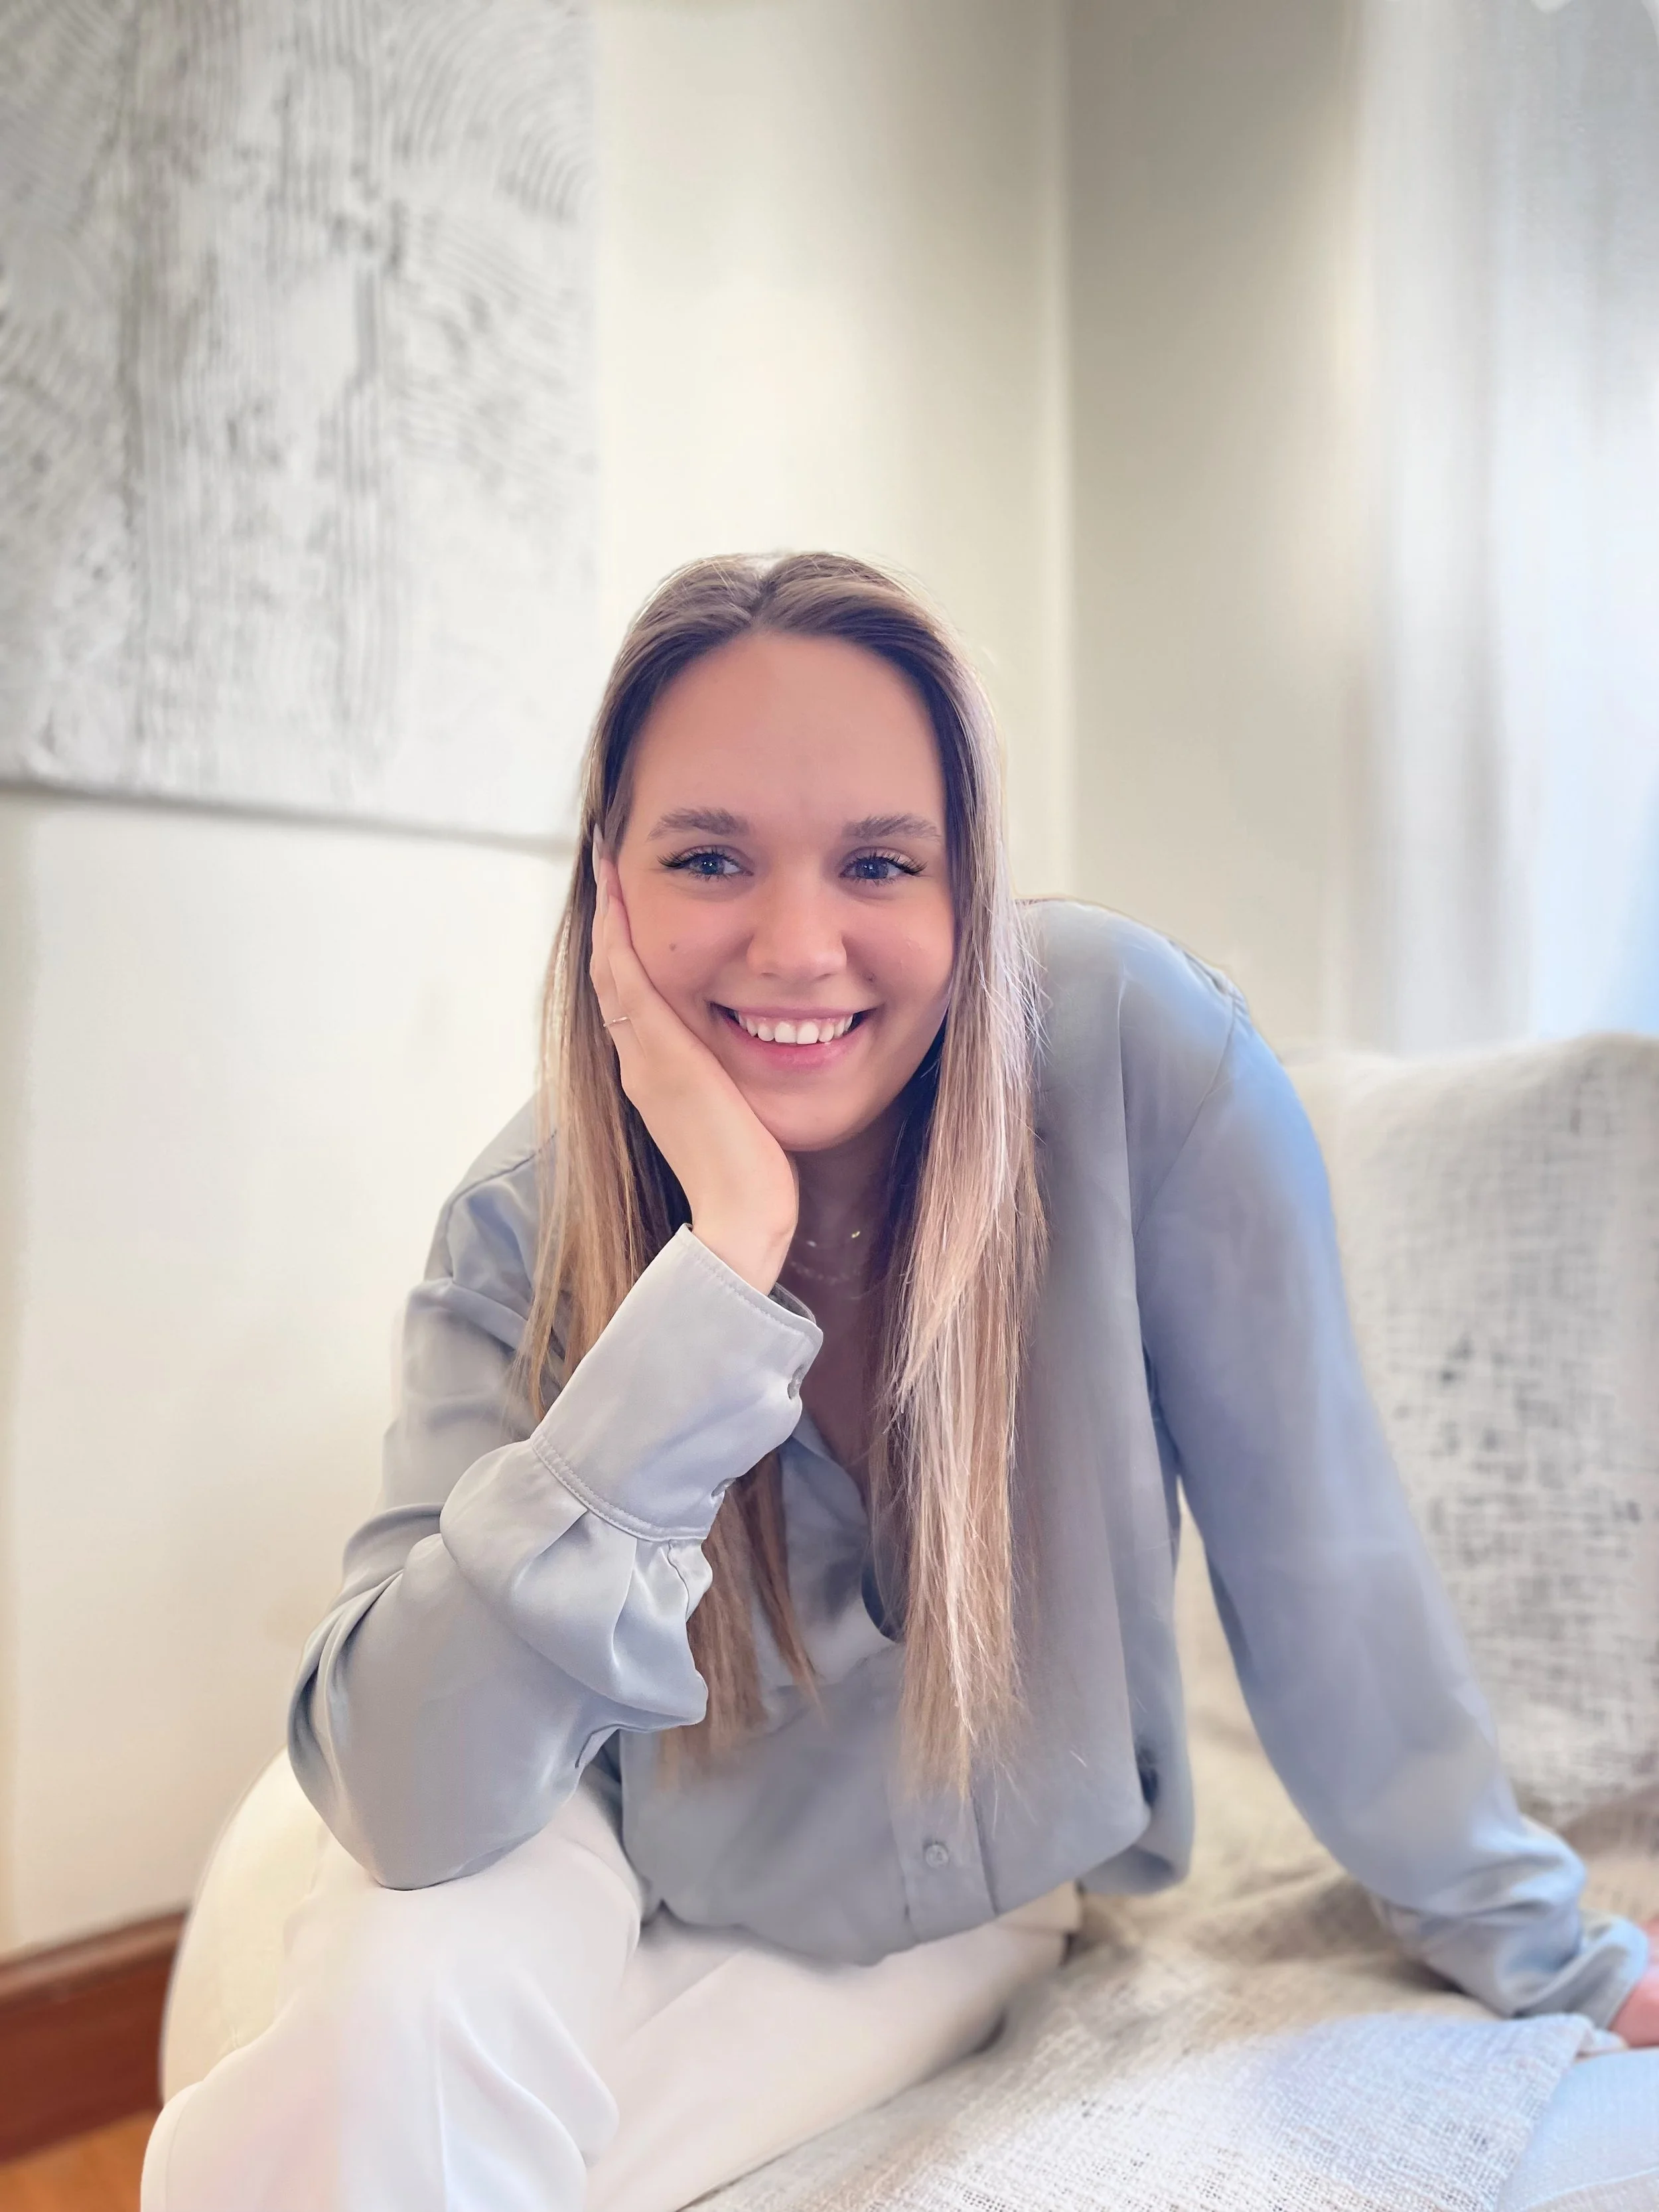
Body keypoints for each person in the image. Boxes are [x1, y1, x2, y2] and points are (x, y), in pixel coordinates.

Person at [143, 553, 1658, 2212]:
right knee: (387, 2020)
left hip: (934, 1898)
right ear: (605, 891)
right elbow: (411, 1799)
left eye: (878, 861)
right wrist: (715, 1273)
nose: (798, 946)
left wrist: (1548, 1947)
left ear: (969, 882)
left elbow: (1323, 1564)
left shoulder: (1137, 1060)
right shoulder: (519, 1227)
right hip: (570, 1816)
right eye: (706, 857)